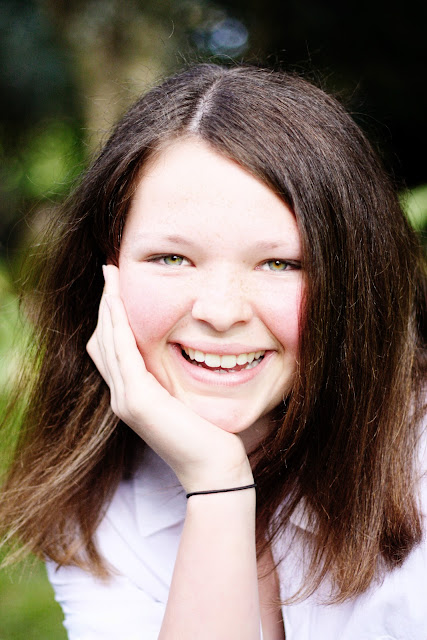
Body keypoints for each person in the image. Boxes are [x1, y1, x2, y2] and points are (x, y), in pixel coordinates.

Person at [1, 63, 426, 640]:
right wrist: (217, 482)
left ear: (354, 282)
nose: (221, 312)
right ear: (105, 271)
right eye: (171, 258)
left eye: (280, 263)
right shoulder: (99, 504)